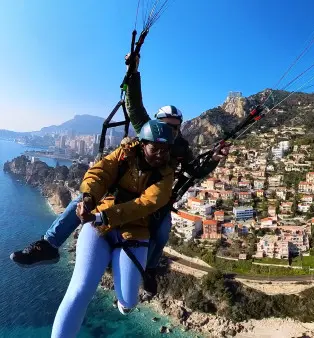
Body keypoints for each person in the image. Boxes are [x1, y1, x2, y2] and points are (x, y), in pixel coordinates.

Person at [10, 53, 230, 298]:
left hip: (151, 197)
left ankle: (151, 269)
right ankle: (49, 244)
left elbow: (193, 171)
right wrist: (133, 73)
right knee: (79, 202)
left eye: (174, 128)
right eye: (165, 126)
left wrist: (213, 161)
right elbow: (134, 106)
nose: (169, 132)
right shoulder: (143, 134)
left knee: (162, 228)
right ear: (154, 126)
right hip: (119, 190)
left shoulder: (181, 149)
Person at [51, 120, 175, 338]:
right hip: (99, 229)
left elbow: (145, 204)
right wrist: (88, 198)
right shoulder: (123, 154)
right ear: (142, 144)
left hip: (133, 231)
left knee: (128, 300)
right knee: (80, 290)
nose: (159, 155)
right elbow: (99, 173)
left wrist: (101, 216)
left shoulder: (165, 175)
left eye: (164, 151)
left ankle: (124, 302)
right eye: (155, 149)